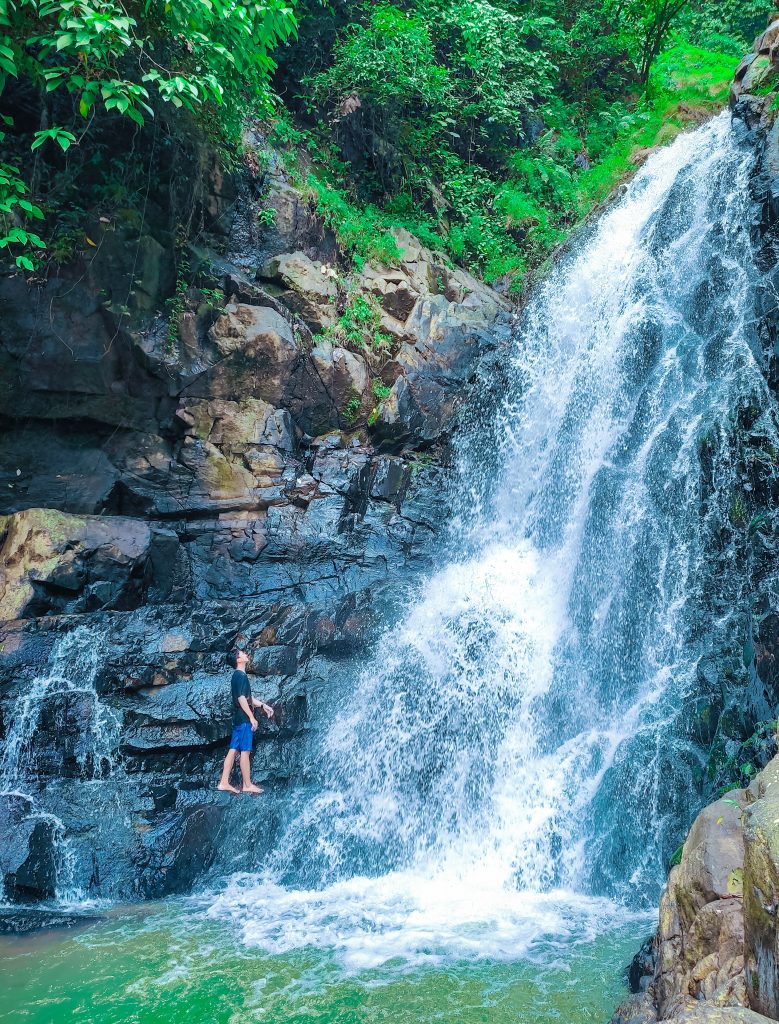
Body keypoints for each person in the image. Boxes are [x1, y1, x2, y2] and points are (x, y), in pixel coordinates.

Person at [217, 648, 274, 795]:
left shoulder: (237, 676)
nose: (245, 654)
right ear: (238, 659)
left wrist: (262, 705)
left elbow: (247, 698)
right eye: (242, 653)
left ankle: (223, 782)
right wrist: (251, 717)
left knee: (233, 750)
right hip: (243, 720)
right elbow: (242, 700)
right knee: (245, 752)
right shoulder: (241, 676)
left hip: (238, 719)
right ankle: (247, 784)